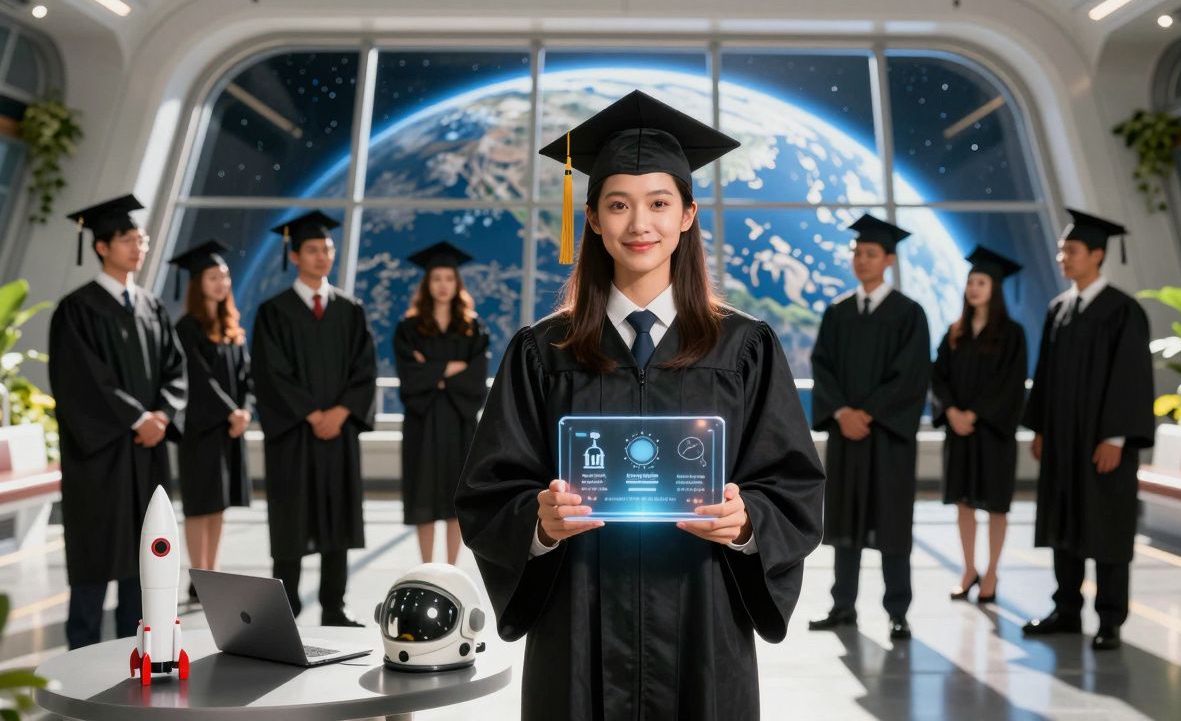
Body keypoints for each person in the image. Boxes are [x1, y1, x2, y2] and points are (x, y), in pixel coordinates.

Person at [454, 91, 824, 720]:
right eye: (618, 205)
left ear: (688, 215)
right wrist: (538, 524)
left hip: (702, 622)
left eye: (659, 203)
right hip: (578, 623)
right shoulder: (541, 352)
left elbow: (793, 485)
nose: (639, 225)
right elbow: (489, 491)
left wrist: (748, 522)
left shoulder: (744, 348)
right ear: (593, 218)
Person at [48, 194, 186, 649]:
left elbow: (175, 368)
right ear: (102, 246)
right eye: (127, 239)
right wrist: (137, 418)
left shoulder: (152, 306)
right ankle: (80, 661)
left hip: (147, 455)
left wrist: (162, 414)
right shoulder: (77, 309)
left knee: (145, 557)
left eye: (141, 238)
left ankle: (137, 656)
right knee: (95, 557)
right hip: (101, 457)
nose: (138, 246)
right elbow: (83, 382)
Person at [1021, 209, 1154, 651]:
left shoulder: (1123, 311)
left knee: (1108, 527)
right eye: (1062, 250)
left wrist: (1116, 437)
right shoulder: (1059, 309)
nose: (1063, 257)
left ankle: (1111, 619)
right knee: (1066, 525)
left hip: (1102, 444)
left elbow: (1132, 378)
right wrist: (1039, 427)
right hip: (1062, 442)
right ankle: (1066, 609)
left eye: (1071, 250)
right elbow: (1045, 375)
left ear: (1097, 255)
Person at [250, 211, 378, 626]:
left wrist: (340, 412)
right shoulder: (274, 312)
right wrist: (310, 413)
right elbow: (270, 373)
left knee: (336, 517)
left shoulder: (349, 309)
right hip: (293, 435)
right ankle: (284, 610)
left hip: (337, 434)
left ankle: (334, 607)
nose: (322, 256)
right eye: (312, 249)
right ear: (294, 256)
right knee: (291, 520)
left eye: (327, 249)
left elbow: (365, 369)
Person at [808, 214, 931, 641]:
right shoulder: (838, 312)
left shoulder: (908, 314)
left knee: (892, 522)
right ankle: (843, 606)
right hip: (848, 436)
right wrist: (842, 412)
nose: (861, 260)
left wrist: (868, 414)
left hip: (888, 438)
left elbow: (911, 375)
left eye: (871, 254)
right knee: (845, 522)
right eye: (857, 253)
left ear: (889, 260)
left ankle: (898, 610)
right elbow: (821, 367)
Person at [931, 246, 1028, 604]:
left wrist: (976, 414)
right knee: (964, 503)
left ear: (995, 289)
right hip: (959, 434)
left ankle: (992, 573)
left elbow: (1011, 383)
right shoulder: (955, 332)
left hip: (993, 434)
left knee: (997, 506)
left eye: (982, 282)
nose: (974, 288)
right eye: (971, 282)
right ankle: (969, 568)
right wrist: (952, 411)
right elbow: (937, 377)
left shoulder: (1011, 334)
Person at [393, 242, 490, 565]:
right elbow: (410, 377)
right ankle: (426, 567)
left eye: (449, 278)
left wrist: (431, 370)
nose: (443, 285)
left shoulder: (473, 327)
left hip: (460, 424)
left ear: (457, 283)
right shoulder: (409, 329)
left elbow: (476, 380)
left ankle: (450, 568)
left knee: (455, 499)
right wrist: (450, 369)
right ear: (427, 284)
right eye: (436, 278)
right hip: (423, 422)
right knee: (422, 497)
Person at [168, 240, 253, 602]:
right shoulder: (188, 328)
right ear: (198, 283)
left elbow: (248, 376)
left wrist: (246, 409)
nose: (222, 283)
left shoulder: (232, 328)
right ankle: (198, 574)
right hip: (201, 430)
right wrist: (230, 412)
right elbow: (199, 379)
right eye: (213, 277)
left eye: (225, 276)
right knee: (200, 505)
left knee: (219, 505)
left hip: (230, 430)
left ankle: (213, 571)